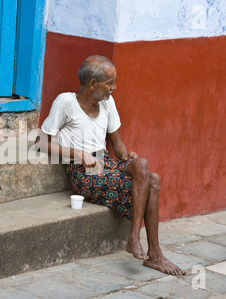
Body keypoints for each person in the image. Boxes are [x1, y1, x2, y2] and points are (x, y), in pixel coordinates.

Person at [36, 55, 185, 276]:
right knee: (151, 182)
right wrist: (78, 153)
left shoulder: (107, 102)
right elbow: (41, 143)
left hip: (106, 163)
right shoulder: (65, 102)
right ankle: (151, 252)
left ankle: (136, 240)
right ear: (93, 84)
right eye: (110, 83)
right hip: (84, 172)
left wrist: (127, 155)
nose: (114, 87)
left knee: (143, 167)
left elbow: (117, 145)